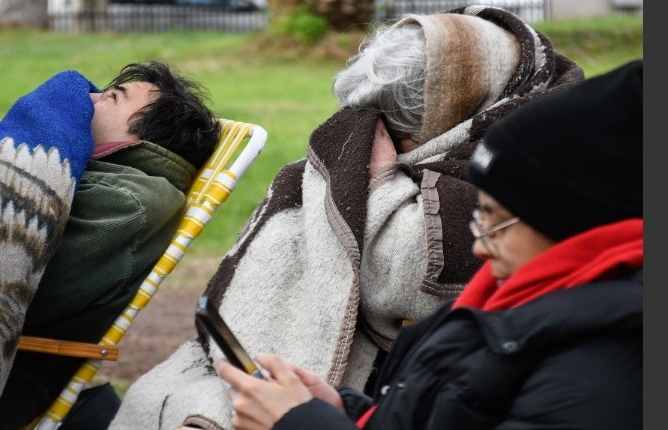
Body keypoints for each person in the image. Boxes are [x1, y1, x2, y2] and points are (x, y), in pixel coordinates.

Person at [110, 5, 585, 430]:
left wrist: (377, 185)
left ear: (456, 114)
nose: (381, 139)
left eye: (400, 132)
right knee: (160, 396)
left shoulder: (523, 165)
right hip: (366, 400)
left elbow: (401, 286)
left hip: (386, 392)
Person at [217, 59, 643, 430]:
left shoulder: (602, 370)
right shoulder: (506, 303)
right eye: (479, 215)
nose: (479, 247)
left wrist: (300, 424)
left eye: (495, 220)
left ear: (572, 221)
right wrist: (344, 412)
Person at [0, 61, 220, 430]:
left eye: (112, 97)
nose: (89, 98)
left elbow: (7, 278)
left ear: (137, 140)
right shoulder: (106, 179)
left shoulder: (129, 205)